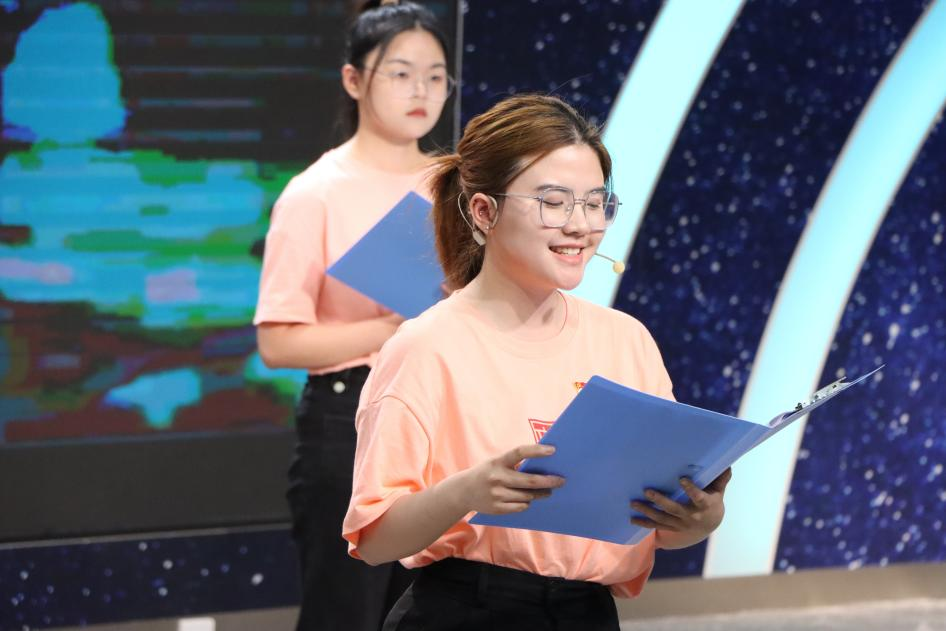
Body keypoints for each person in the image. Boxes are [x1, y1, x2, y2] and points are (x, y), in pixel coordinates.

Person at [342, 94, 733, 631]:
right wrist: (466, 493)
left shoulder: (627, 340)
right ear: (484, 211)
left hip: (588, 614)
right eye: (554, 202)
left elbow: (659, 527)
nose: (580, 226)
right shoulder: (426, 346)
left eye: (595, 203)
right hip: (465, 614)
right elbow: (375, 540)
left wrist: (701, 517)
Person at [253, 2, 453, 629]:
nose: (421, 91)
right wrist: (390, 329)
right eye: (401, 73)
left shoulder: (456, 184)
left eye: (436, 76)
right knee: (348, 611)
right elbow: (278, 344)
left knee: (436, 609)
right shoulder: (315, 192)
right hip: (351, 419)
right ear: (353, 80)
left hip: (445, 415)